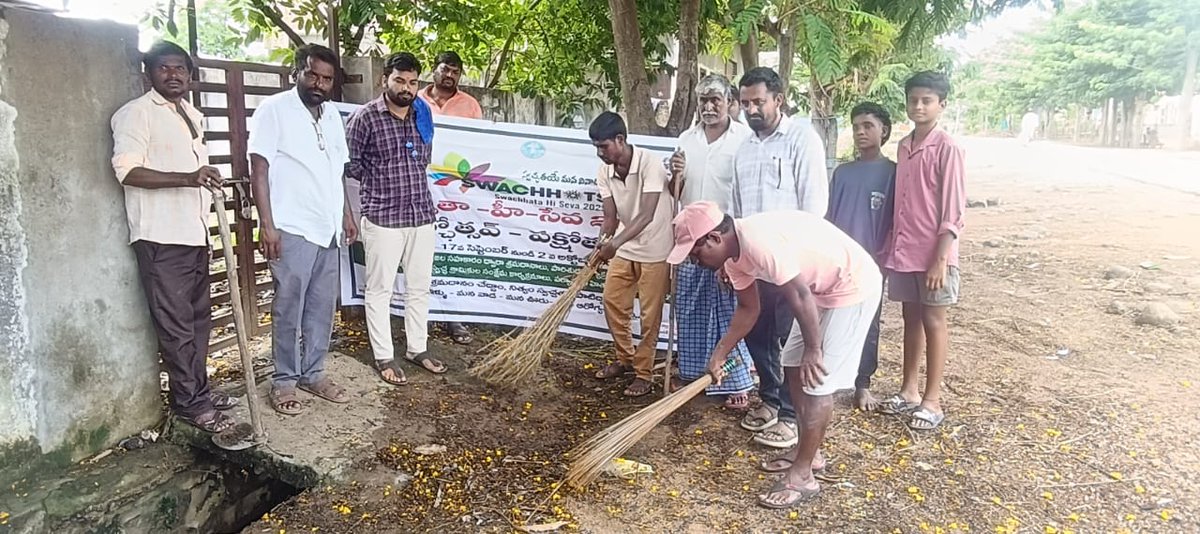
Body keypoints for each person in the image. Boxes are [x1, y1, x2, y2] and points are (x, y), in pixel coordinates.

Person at [667, 202, 882, 509]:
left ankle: (803, 476)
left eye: (695, 252)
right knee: (792, 365)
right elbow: (748, 308)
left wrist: (814, 348)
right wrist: (719, 353)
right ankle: (810, 454)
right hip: (819, 291)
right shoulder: (733, 258)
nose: (695, 261)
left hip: (851, 286)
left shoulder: (757, 241)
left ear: (714, 238)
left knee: (817, 380)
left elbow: (798, 295)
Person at [111, 41, 239, 433]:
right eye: (164, 68)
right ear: (146, 73)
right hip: (161, 238)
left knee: (200, 322)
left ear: (190, 75)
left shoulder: (191, 115)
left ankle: (197, 391)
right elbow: (127, 171)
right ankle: (188, 404)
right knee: (177, 326)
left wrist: (204, 174)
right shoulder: (136, 115)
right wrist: (188, 177)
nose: (173, 75)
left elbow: (192, 169)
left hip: (194, 234)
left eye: (180, 69)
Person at [249, 44, 358, 415]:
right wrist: (268, 225)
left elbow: (338, 171)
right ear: (297, 72)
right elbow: (259, 169)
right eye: (312, 74)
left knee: (321, 308)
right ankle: (283, 380)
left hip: (326, 226)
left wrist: (345, 214)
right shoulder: (274, 110)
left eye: (327, 78)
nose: (319, 83)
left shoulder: (330, 116)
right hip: (291, 226)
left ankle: (313, 373)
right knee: (288, 307)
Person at [730, 66, 829, 449]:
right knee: (758, 333)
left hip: (791, 261)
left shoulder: (801, 138)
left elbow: (814, 206)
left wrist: (799, 258)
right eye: (745, 103)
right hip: (755, 262)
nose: (751, 110)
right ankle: (770, 401)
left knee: (791, 342)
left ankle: (790, 416)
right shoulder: (744, 147)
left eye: (758, 101)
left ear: (779, 100)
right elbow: (737, 210)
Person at [345, 52, 447, 385]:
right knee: (380, 290)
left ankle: (417, 348)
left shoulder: (422, 113)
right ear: (384, 80)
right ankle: (383, 355)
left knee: (419, 287)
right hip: (383, 217)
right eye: (400, 80)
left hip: (421, 214)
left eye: (413, 82)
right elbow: (352, 165)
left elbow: (425, 160)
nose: (407, 88)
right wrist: (382, 184)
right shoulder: (365, 118)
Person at [877, 71, 966, 431]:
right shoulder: (903, 146)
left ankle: (932, 400)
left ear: (941, 105)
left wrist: (940, 258)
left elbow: (953, 211)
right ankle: (909, 390)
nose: (918, 106)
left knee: (934, 322)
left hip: (934, 256)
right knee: (909, 319)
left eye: (927, 100)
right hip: (903, 251)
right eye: (913, 99)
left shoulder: (948, 148)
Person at [668, 74, 755, 408]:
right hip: (692, 242)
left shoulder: (744, 140)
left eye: (715, 99)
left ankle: (737, 380)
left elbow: (744, 194)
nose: (708, 106)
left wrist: (734, 252)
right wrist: (675, 174)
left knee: (726, 311)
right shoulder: (686, 139)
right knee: (690, 309)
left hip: (725, 241)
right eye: (702, 99)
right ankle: (694, 374)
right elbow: (675, 192)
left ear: (729, 100)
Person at [589, 111, 675, 397]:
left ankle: (643, 373)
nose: (600, 153)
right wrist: (603, 243)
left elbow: (647, 215)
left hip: (656, 248)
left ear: (620, 139)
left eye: (604, 146)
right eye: (596, 147)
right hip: (625, 246)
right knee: (612, 301)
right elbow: (610, 216)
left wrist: (615, 244)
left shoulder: (650, 163)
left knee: (650, 317)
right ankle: (624, 359)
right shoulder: (604, 171)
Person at [825, 102, 895, 411]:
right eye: (855, 127)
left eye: (868, 125)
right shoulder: (843, 173)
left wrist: (886, 258)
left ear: (884, 131)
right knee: (830, 317)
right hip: (839, 262)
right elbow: (829, 218)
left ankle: (862, 383)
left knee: (869, 323)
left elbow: (896, 220)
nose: (860, 132)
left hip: (873, 263)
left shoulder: (893, 173)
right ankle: (827, 379)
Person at [417, 50, 479, 345]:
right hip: (417, 185)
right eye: (445, 70)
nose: (449, 76)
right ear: (434, 70)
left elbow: (479, 147)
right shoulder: (414, 100)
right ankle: (420, 318)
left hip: (454, 190)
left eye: (455, 71)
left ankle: (455, 317)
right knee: (420, 251)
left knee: (453, 250)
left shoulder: (470, 106)